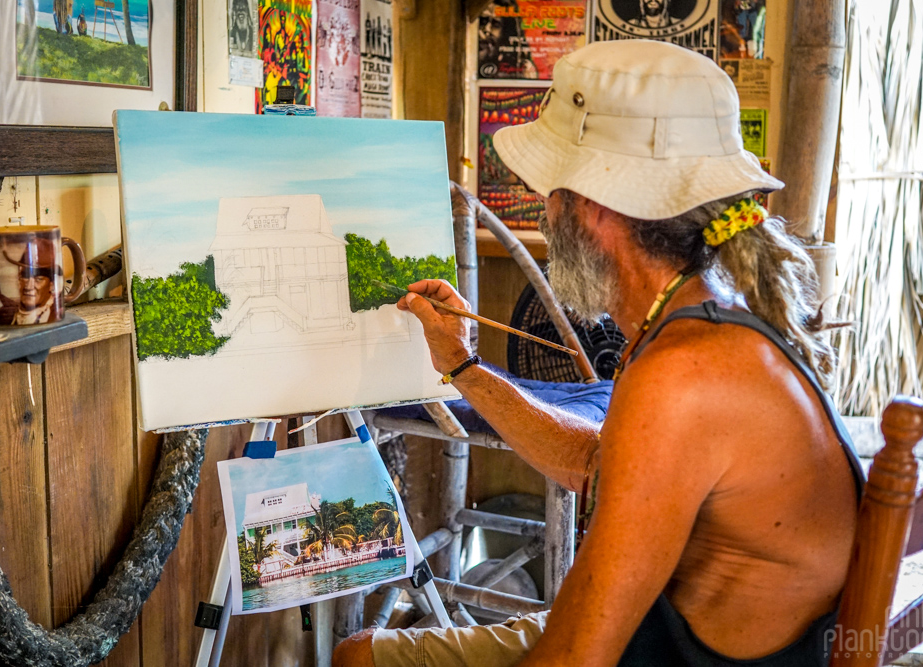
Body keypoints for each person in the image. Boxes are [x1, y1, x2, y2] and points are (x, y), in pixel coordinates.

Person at [333, 39, 862, 666]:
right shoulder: (713, 314)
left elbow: (576, 658)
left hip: (657, 653)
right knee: (362, 654)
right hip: (664, 636)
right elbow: (600, 466)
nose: (545, 211)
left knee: (358, 660)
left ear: (595, 207)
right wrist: (461, 367)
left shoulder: (685, 374)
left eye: (551, 190)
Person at [4, 244, 60, 325]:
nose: (28, 287)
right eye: (25, 277)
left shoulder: (54, 314)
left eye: (38, 279)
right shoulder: (7, 314)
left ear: (51, 285)